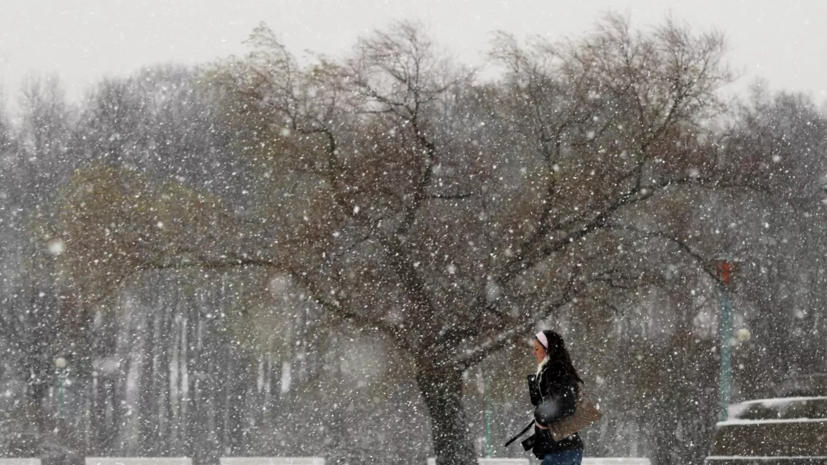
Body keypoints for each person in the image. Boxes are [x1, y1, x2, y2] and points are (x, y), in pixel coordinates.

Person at [527, 329, 584, 465]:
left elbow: (567, 405)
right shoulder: (551, 371)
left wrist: (541, 416)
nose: (534, 353)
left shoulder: (556, 371)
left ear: (548, 349)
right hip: (563, 447)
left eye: (536, 348)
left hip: (562, 449)